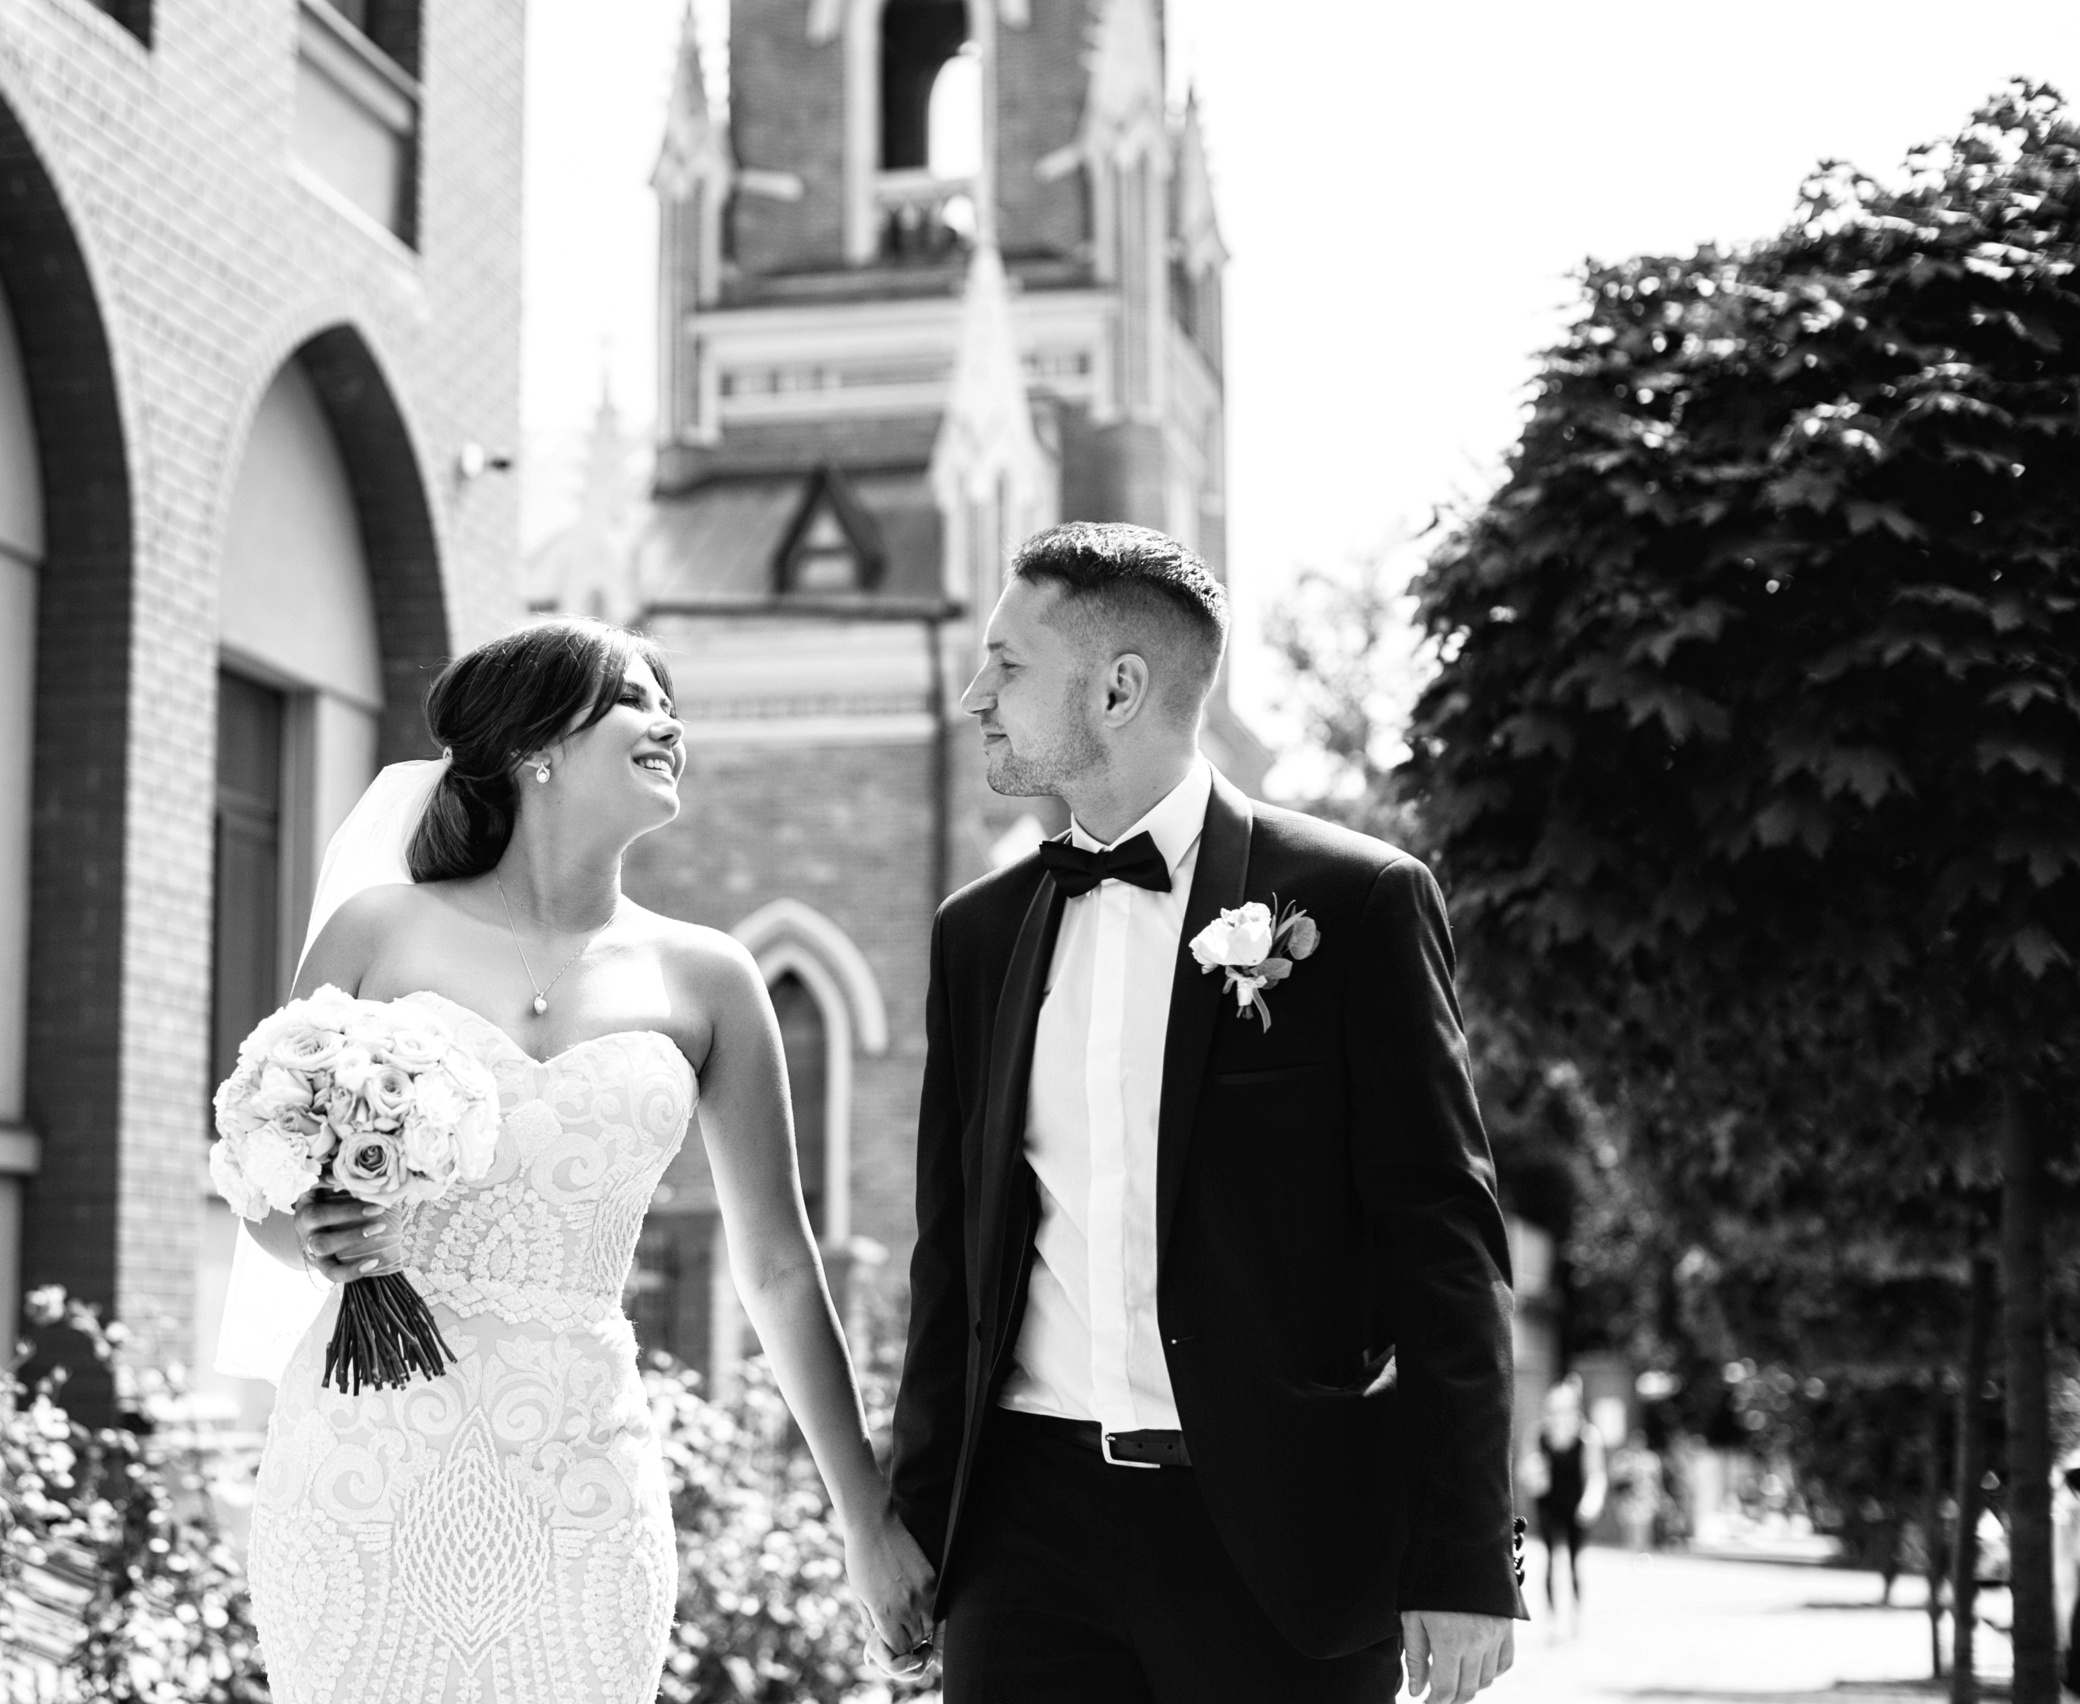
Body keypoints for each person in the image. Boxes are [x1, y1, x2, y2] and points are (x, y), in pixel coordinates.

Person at [225, 620, 934, 1704]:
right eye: (637, 700)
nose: (671, 724)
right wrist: (313, 1232)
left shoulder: (711, 978)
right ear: (537, 746)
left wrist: (866, 1517)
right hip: (362, 1462)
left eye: (670, 702)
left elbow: (780, 1268)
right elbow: (264, 1191)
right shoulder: (378, 931)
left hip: (581, 1479)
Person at [886, 522, 1524, 1704]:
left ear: (1120, 687)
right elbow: (953, 1256)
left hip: (1277, 1538)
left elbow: (1445, 1247)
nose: (975, 694)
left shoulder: (1356, 900)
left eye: (1008, 665)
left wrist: (1466, 1554)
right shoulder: (975, 934)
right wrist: (911, 1524)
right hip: (1023, 1543)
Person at [1519, 1378, 1607, 1636]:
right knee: (1547, 1560)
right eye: (1553, 1409)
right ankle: (1551, 1620)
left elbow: (1596, 1475)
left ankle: (1577, 1617)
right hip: (1548, 1503)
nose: (1558, 1415)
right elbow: (1527, 1472)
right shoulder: (1537, 1435)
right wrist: (1531, 1474)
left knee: (1574, 1562)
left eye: (1564, 1409)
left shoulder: (1588, 1437)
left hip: (1575, 1506)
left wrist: (1591, 1502)